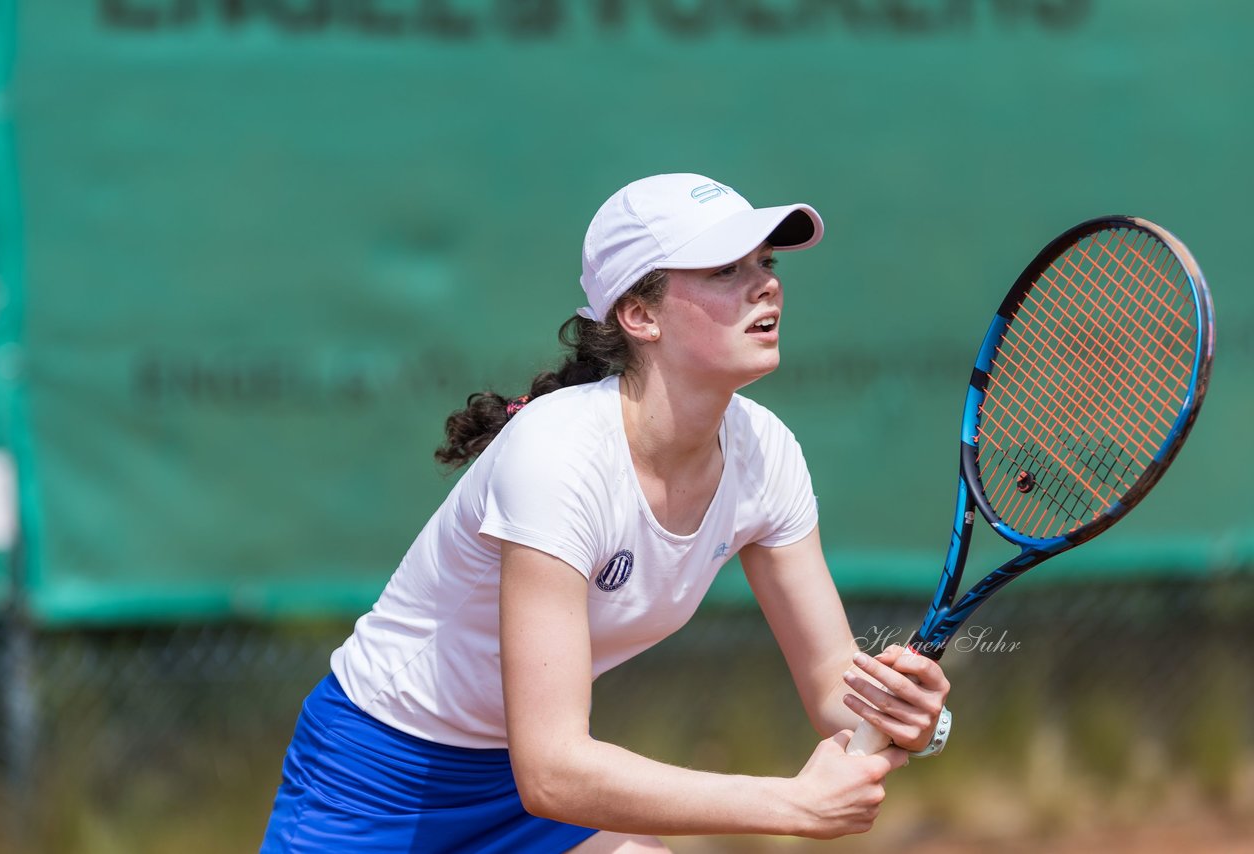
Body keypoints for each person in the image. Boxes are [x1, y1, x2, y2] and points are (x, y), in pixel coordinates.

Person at [260, 173, 952, 853]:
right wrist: (790, 804)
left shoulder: (767, 454)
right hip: (375, 780)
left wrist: (908, 718)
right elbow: (555, 772)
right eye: (723, 269)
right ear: (639, 315)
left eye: (765, 263)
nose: (766, 283)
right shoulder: (558, 455)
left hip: (520, 780)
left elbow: (836, 685)